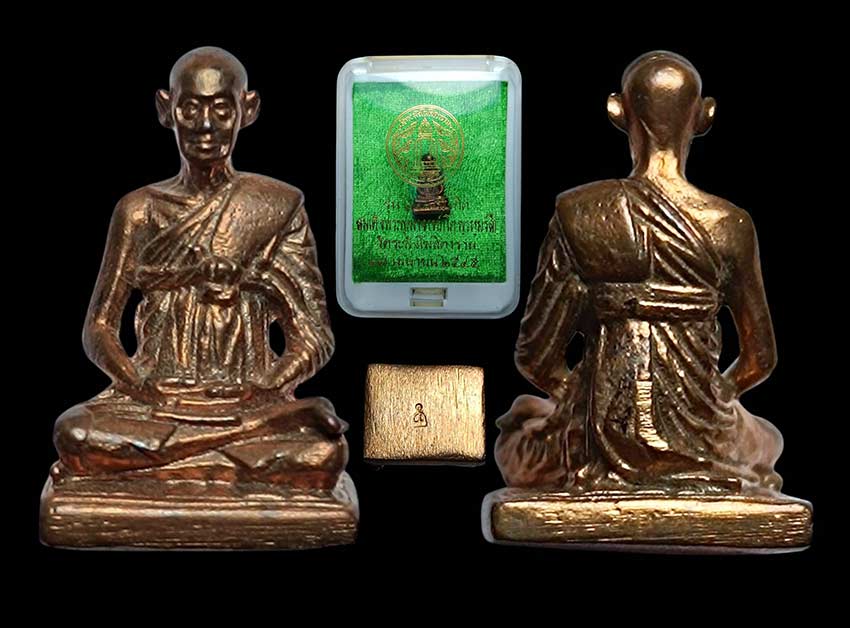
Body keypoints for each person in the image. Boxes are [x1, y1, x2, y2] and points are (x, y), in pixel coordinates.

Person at [52, 47, 346, 490]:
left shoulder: (277, 205)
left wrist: (267, 385)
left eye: (221, 110)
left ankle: (173, 459)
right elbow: (99, 327)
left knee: (324, 453)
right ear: (165, 109)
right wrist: (139, 383)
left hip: (247, 399)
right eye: (190, 109)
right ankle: (230, 449)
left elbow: (314, 336)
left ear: (248, 110)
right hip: (158, 402)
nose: (205, 126)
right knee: (75, 433)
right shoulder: (140, 210)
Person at [495, 51, 783, 493]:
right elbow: (760, 359)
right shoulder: (730, 225)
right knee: (766, 442)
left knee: (518, 431)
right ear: (704, 116)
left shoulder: (579, 212)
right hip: (705, 432)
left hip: (597, 437)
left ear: (616, 110)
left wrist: (581, 395)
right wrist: (715, 397)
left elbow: (535, 358)